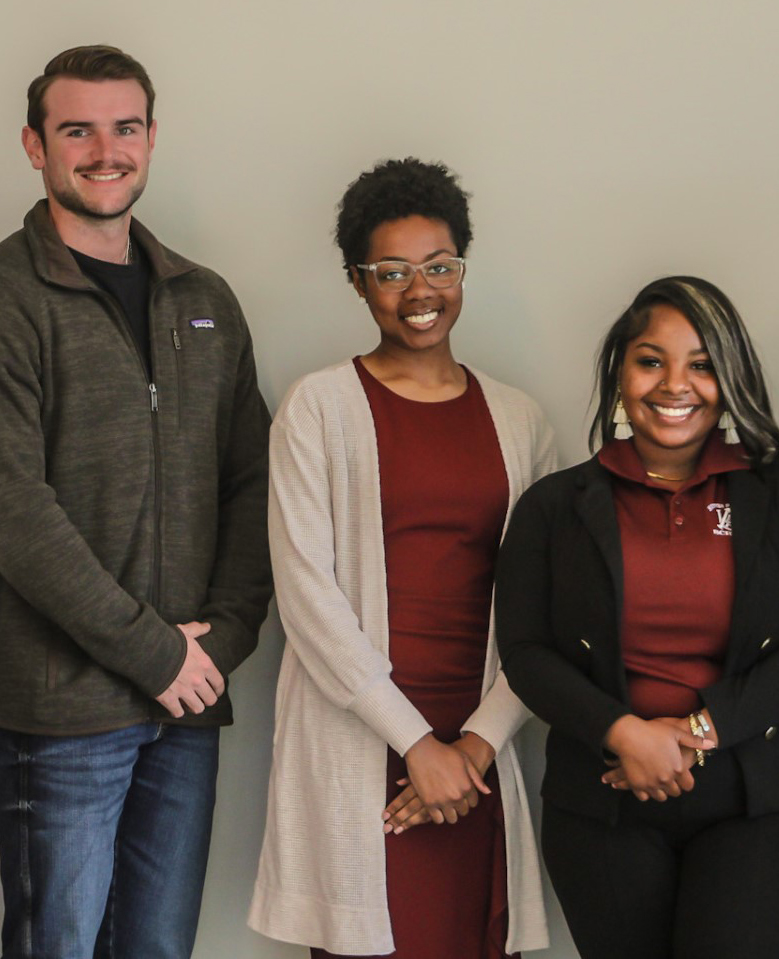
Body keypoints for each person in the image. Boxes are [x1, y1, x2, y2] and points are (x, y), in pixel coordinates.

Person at [0, 45, 273, 959]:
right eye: (76, 129)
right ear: (34, 146)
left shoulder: (204, 299)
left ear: (152, 139)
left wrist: (220, 642)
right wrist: (150, 650)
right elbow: (12, 514)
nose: (104, 149)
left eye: (124, 127)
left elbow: (251, 480)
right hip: (57, 711)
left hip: (186, 695)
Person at [248, 159, 553, 958]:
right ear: (357, 282)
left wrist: (473, 748)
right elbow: (306, 597)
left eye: (440, 267)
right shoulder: (318, 408)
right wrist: (416, 746)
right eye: (392, 273)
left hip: (481, 742)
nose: (421, 292)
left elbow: (546, 605)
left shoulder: (521, 421)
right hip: (364, 737)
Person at [495, 276, 779, 959]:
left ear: (731, 377)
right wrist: (623, 733)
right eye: (651, 360)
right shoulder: (551, 507)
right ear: (619, 372)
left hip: (768, 805)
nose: (673, 385)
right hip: (602, 805)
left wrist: (696, 732)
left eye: (701, 364)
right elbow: (526, 652)